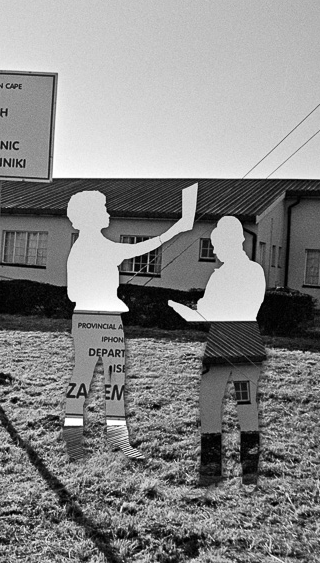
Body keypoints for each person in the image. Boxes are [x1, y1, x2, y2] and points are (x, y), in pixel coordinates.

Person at [63, 183, 197, 461]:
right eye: (102, 209)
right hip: (92, 319)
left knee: (115, 381)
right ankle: (74, 443)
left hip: (109, 319)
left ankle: (118, 441)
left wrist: (176, 229)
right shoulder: (87, 248)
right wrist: (176, 229)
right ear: (88, 216)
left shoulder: (97, 246)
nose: (108, 213)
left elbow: (139, 249)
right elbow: (73, 292)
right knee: (83, 378)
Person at [168, 216, 266, 485]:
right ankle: (250, 472)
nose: (214, 251)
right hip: (248, 346)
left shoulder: (221, 276)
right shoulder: (256, 271)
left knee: (210, 404)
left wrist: (187, 309)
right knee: (247, 406)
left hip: (222, 346)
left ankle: (211, 470)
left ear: (228, 243)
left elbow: (207, 314)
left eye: (215, 245)